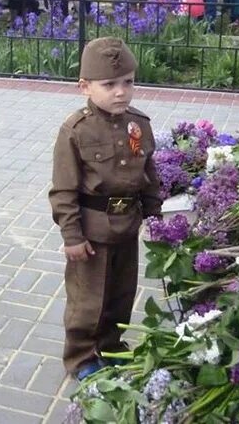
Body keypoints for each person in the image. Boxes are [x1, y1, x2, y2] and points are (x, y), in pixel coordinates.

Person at [49, 36, 162, 381]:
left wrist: (156, 217)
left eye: (127, 82)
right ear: (84, 86)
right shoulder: (75, 130)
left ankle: (112, 347)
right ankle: (82, 356)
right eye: (109, 84)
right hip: (92, 230)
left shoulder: (139, 124)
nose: (120, 92)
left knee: (120, 293)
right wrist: (72, 236)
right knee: (88, 298)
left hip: (128, 226)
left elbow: (149, 174)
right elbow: (63, 189)